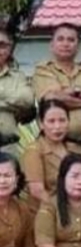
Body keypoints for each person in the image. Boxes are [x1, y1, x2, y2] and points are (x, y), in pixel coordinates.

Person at [32, 23, 81, 149]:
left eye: (71, 40)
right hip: (57, 146)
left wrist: (73, 91)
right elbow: (52, 99)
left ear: (78, 46)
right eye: (60, 39)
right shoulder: (43, 69)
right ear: (51, 45)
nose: (66, 44)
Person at [21, 99, 74, 210]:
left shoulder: (73, 150)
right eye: (51, 121)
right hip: (46, 213)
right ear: (41, 124)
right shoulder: (34, 151)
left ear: (69, 122)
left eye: (62, 120)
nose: (57, 126)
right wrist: (63, 213)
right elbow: (37, 190)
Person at [0, 27, 35, 157]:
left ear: (9, 49)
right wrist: (11, 104)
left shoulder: (19, 77)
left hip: (9, 148)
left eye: (2, 45)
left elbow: (28, 100)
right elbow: (19, 100)